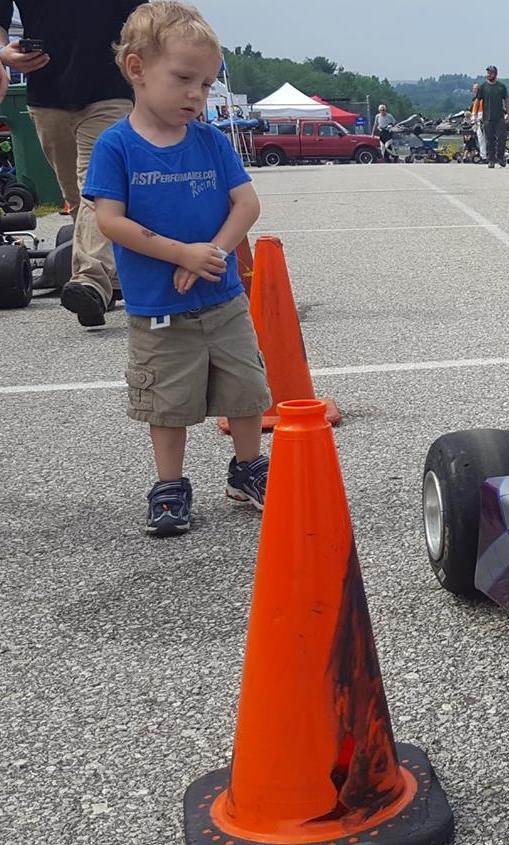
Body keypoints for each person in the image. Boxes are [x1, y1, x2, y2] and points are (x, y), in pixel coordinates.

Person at [82, 2, 270, 536]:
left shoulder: (211, 141)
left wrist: (213, 252)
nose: (197, 95)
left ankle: (247, 468)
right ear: (137, 69)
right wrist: (179, 253)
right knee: (167, 401)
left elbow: (246, 205)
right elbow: (110, 220)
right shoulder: (117, 146)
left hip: (222, 297)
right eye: (184, 79)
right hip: (158, 307)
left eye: (206, 84)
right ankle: (170, 484)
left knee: (245, 388)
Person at [1, 0, 148, 329]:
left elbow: (144, 20)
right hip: (47, 94)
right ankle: (111, 279)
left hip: (109, 90)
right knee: (77, 196)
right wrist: (3, 54)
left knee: (97, 190)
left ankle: (90, 281)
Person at [478, 65, 509, 169]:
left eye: (491, 73)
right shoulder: (483, 87)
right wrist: (475, 114)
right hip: (487, 117)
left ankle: (500, 157)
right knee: (489, 139)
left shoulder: (501, 86)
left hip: (499, 116)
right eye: (488, 73)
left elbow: (506, 100)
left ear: (495, 74)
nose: (489, 74)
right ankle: (491, 159)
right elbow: (477, 101)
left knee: (502, 138)